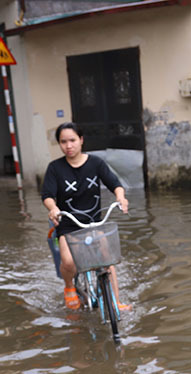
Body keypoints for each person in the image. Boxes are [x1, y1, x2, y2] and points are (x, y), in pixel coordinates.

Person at [42, 122, 129, 310]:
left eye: (72, 140)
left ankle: (116, 302)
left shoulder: (96, 163)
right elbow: (48, 195)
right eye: (63, 142)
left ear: (81, 140)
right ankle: (69, 287)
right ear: (59, 144)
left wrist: (120, 197)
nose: (69, 146)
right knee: (69, 262)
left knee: (107, 260)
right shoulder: (55, 168)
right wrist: (53, 208)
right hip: (68, 224)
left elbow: (115, 183)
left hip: (94, 222)